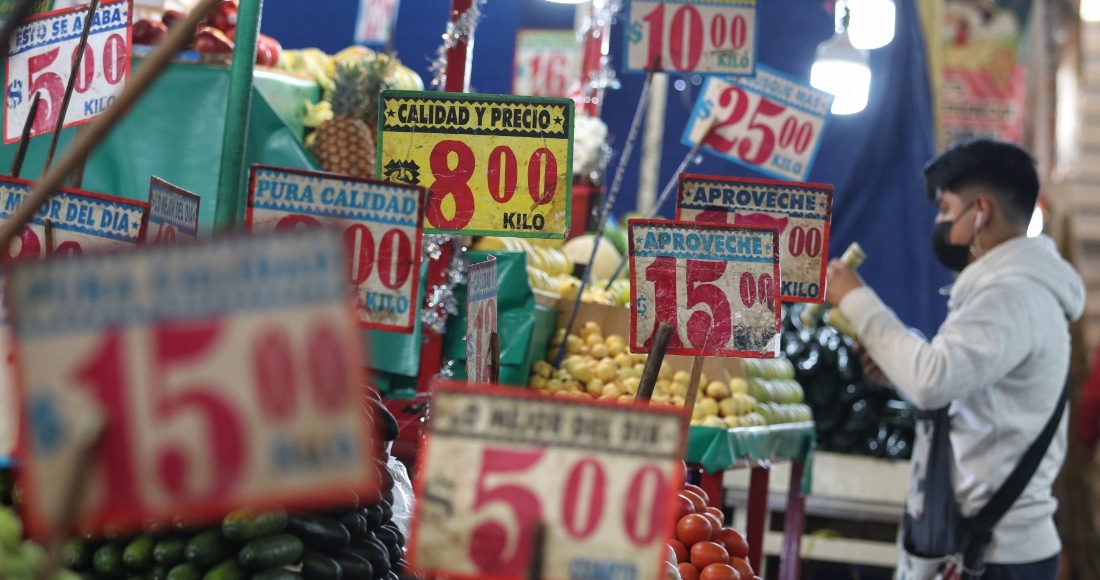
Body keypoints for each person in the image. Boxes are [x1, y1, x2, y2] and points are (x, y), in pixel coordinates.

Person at [824, 138, 1085, 580]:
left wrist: (858, 301)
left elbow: (931, 379)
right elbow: (963, 392)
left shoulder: (1010, 295)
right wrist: (896, 371)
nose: (941, 223)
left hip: (995, 554)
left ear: (980, 211)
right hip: (989, 543)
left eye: (946, 210)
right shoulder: (1012, 290)